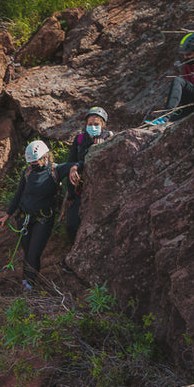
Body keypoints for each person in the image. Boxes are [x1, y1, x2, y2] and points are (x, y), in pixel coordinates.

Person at [0, 141, 81, 290]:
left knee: (34, 253)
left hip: (43, 219)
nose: (33, 165)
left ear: (44, 157)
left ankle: (29, 284)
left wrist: (74, 168)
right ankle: (25, 281)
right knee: (27, 252)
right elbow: (18, 194)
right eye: (30, 162)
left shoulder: (55, 170)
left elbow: (76, 163)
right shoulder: (27, 172)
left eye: (35, 161)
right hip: (23, 218)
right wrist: (7, 215)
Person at [61, 107, 114, 271]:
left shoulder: (108, 137)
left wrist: (105, 139)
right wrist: (69, 192)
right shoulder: (79, 140)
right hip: (77, 189)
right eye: (90, 123)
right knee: (71, 225)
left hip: (97, 190)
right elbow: (71, 162)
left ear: (103, 124)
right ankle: (75, 256)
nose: (92, 126)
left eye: (96, 123)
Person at [145, 33, 194, 126]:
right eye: (184, 55)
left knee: (178, 81)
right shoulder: (187, 67)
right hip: (192, 103)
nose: (186, 58)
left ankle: (165, 117)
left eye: (189, 54)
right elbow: (188, 88)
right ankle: (164, 119)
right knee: (174, 114)